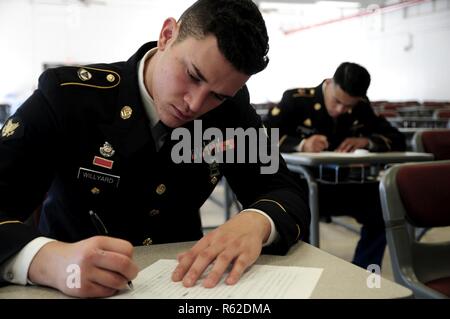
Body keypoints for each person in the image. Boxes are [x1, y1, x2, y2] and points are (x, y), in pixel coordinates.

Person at [0, 0, 309, 298]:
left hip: (183, 287)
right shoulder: (68, 97)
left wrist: (256, 221)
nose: (196, 105)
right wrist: (44, 261)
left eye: (217, 95)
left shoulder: (231, 112)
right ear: (166, 36)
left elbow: (284, 188)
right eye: (192, 75)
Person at [264, 62, 406, 269]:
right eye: (337, 101)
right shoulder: (296, 100)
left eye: (348, 106)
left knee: (384, 203)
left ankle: (363, 269)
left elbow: (397, 138)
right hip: (299, 186)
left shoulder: (361, 107)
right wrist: (301, 144)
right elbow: (262, 135)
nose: (340, 110)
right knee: (297, 212)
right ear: (329, 83)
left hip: (343, 185)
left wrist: (368, 141)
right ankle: (303, 272)